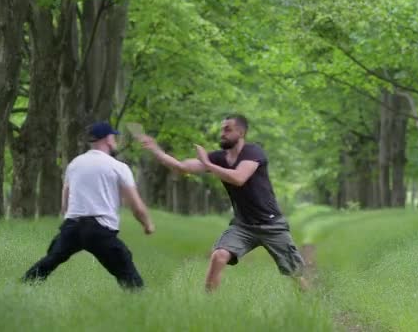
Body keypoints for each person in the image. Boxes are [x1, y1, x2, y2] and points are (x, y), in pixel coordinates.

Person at [139, 114, 308, 292]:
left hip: (271, 225)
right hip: (243, 226)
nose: (222, 133)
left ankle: (310, 302)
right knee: (219, 256)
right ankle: (209, 304)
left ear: (241, 132)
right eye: (222, 129)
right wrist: (156, 150)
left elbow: (239, 178)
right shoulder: (218, 158)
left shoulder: (253, 152)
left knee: (295, 273)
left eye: (228, 129)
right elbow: (182, 167)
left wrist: (207, 164)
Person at [22, 122, 155, 290]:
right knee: (128, 274)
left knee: (49, 261)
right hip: (100, 230)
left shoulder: (74, 164)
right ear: (107, 139)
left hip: (72, 227)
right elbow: (136, 206)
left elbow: (65, 203)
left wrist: (68, 223)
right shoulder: (118, 167)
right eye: (113, 136)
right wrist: (148, 225)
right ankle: (141, 303)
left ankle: (21, 287)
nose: (115, 140)